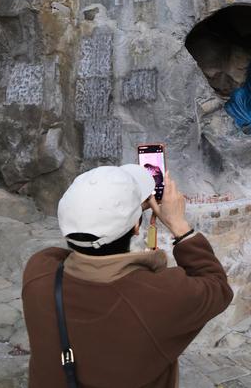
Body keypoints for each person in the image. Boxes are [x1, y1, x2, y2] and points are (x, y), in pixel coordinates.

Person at [21, 164, 233, 388]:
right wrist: (178, 225)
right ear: (136, 227)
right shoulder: (159, 298)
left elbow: (72, 256)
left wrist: (126, 217)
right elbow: (216, 285)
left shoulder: (39, 272)